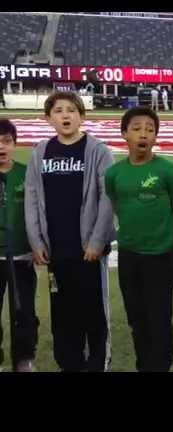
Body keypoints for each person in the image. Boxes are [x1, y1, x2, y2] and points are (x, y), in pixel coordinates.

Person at [25, 91, 114, 372]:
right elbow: (31, 198)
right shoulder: (40, 152)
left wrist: (97, 242)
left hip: (88, 251)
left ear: (82, 116)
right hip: (55, 252)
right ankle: (70, 363)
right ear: (48, 118)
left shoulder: (98, 151)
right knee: (62, 314)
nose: (65, 115)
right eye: (59, 110)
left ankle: (97, 363)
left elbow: (108, 198)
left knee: (94, 314)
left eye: (72, 110)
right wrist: (36, 240)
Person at [105, 107, 173, 372]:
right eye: (136, 128)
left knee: (160, 321)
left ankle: (160, 367)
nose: (144, 134)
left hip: (161, 258)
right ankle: (144, 366)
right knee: (137, 319)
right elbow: (117, 207)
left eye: (150, 129)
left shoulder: (169, 172)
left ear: (156, 136)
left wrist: (170, 246)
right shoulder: (114, 174)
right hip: (129, 257)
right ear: (124, 134)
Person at [0, 119, 39, 372]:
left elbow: (38, 212)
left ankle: (23, 357)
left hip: (22, 257)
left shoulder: (26, 173)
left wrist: (38, 244)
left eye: (6, 141)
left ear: (15, 144)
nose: (1, 147)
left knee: (24, 311)